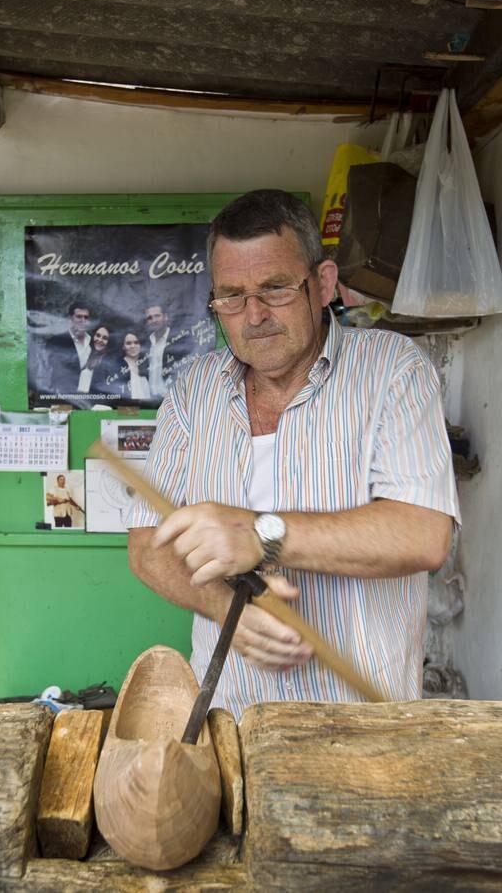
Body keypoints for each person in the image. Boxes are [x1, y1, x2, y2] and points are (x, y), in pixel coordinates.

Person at [128, 189, 460, 720]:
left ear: (323, 284)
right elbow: (148, 544)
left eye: (276, 289)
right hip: (231, 719)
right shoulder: (194, 390)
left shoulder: (393, 369)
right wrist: (225, 608)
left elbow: (423, 535)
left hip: (365, 722)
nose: (253, 315)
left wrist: (260, 534)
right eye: (231, 297)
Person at [47, 302, 91, 395]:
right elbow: (49, 374)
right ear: (70, 319)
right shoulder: (56, 342)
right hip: (66, 398)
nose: (83, 320)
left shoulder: (94, 341)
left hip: (93, 397)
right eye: (79, 316)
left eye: (86, 317)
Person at [113, 332, 151, 401]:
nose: (133, 346)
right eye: (128, 343)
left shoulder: (146, 365)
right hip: (128, 409)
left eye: (136, 343)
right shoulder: (117, 366)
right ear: (123, 346)